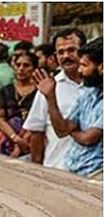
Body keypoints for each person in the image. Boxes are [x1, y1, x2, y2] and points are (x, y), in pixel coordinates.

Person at [34, 37, 102, 175]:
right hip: (74, 170)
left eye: (84, 65)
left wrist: (73, 131)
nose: (80, 70)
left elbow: (88, 139)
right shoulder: (88, 94)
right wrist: (50, 97)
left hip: (98, 174)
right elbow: (61, 130)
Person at [24, 28, 86, 169]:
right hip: (58, 169)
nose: (66, 56)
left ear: (84, 52)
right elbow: (36, 132)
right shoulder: (49, 87)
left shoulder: (97, 87)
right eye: (61, 52)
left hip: (92, 173)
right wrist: (38, 172)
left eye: (71, 50)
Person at [0, 52, 38, 157]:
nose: (21, 69)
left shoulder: (39, 92)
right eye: (18, 65)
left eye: (26, 65)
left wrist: (22, 142)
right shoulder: (7, 90)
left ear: (34, 69)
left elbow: (39, 119)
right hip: (7, 137)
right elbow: (0, 120)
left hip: (30, 141)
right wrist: (16, 138)